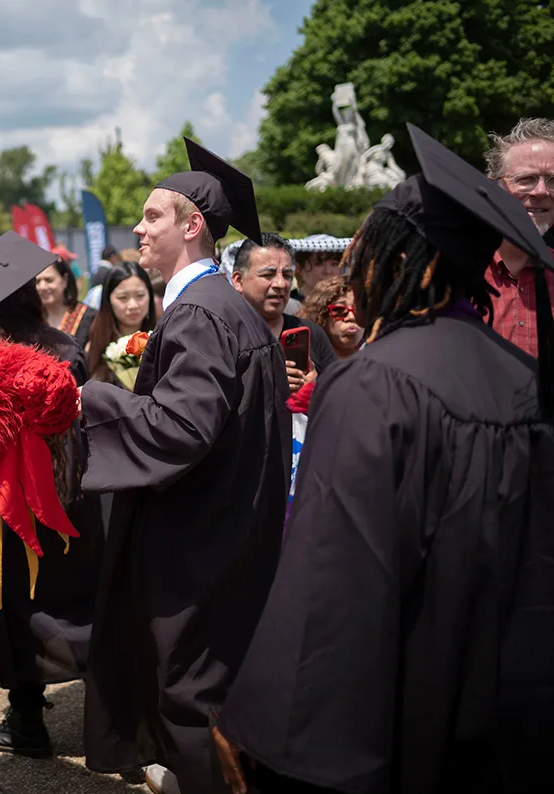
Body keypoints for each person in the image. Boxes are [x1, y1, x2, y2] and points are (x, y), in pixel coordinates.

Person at [214, 123, 554, 794]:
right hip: (502, 695)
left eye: (367, 254)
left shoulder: (376, 383)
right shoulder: (521, 378)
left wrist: (266, 727)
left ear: (406, 263)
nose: (353, 274)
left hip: (399, 694)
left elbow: (334, 580)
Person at [78, 140, 291, 794]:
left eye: (152, 216)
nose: (138, 229)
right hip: (230, 533)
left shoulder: (200, 313)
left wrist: (82, 399)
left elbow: (179, 428)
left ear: (192, 223)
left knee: (193, 704)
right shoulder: (230, 309)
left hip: (200, 547)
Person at [0, 279, 103, 759]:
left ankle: (27, 722)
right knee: (75, 595)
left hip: (6, 503)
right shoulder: (65, 347)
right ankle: (110, 713)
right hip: (70, 497)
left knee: (11, 602)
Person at [484, 117, 554, 359]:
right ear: (494, 189)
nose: (542, 191)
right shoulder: (454, 273)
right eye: (527, 179)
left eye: (553, 180)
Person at [231, 234, 338, 391]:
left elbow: (338, 402)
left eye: (287, 275)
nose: (281, 284)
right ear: (238, 281)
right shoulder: (224, 335)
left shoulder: (312, 334)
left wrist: (314, 390)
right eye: (268, 275)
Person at [85, 262, 156, 385]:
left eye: (140, 296)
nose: (133, 305)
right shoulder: (93, 347)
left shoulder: (161, 341)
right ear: (108, 300)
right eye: (123, 297)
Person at [36, 257, 96, 348]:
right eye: (37, 282)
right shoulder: (32, 318)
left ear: (64, 280)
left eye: (49, 280)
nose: (42, 287)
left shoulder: (90, 318)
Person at [299, 276, 364, 361]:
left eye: (359, 309)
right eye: (339, 310)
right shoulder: (307, 363)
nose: (351, 317)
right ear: (321, 316)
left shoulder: (378, 363)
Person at [287, 234, 349, 311]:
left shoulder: (347, 305)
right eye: (318, 264)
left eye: (334, 264)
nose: (328, 271)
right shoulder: (287, 307)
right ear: (299, 268)